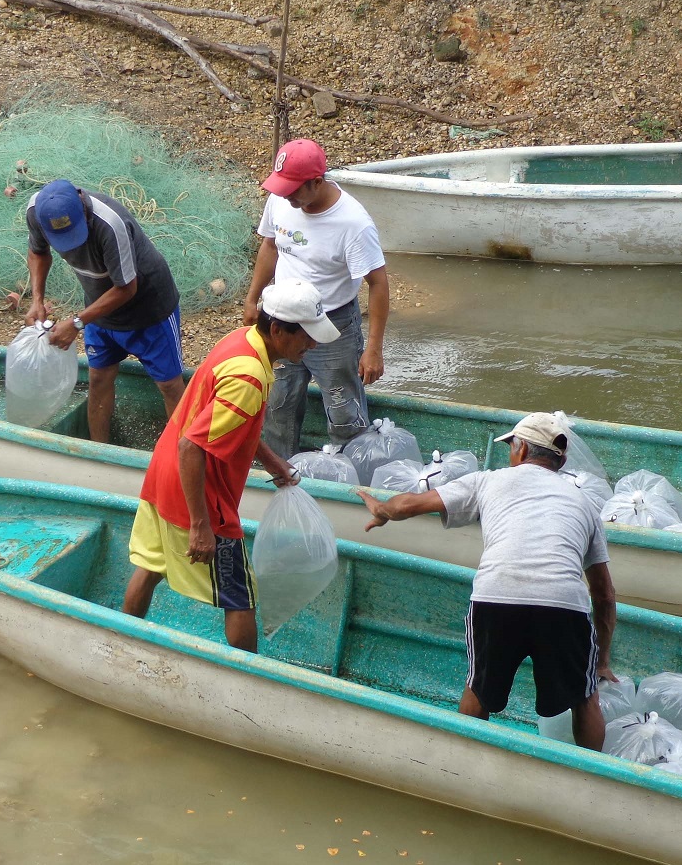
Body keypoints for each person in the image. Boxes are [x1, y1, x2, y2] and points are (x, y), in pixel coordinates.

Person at [356, 412, 618, 750]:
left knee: (478, 689)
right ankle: (591, 780)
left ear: (521, 450)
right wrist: (603, 662)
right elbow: (605, 594)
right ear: (561, 460)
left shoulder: (487, 481)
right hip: (563, 605)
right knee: (585, 699)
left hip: (497, 597)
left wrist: (381, 510)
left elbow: (407, 504)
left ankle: (464, 764)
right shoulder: (585, 504)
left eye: (511, 446)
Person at [123, 280, 339, 651]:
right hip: (199, 492)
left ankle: (120, 638)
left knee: (152, 564)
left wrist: (274, 463)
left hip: (163, 474)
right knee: (240, 597)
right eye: (306, 336)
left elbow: (232, 423)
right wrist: (200, 526)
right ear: (277, 330)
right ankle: (248, 682)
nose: (313, 345)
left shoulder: (241, 341)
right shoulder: (249, 378)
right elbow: (192, 448)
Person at [242, 138, 389, 459]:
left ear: (317, 182)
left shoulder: (353, 223)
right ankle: (278, 469)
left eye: (294, 190)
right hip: (281, 320)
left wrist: (374, 350)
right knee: (278, 403)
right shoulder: (281, 200)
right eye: (282, 188)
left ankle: (349, 474)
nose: (285, 196)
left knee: (343, 409)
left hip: (331, 326)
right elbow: (270, 246)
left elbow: (377, 283)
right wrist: (253, 299)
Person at [25, 179, 186, 442]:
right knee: (98, 379)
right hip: (99, 307)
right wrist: (37, 300)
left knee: (169, 385)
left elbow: (126, 288)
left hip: (149, 308)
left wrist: (77, 323)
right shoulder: (37, 211)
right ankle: (100, 454)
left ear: (81, 202)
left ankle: (179, 462)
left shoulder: (111, 224)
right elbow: (38, 253)